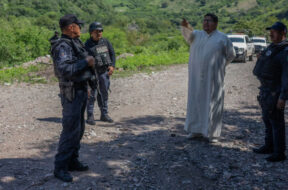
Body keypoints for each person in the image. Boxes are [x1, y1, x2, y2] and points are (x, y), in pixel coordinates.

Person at [50, 14, 95, 182]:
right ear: (71, 27)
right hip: (72, 92)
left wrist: (87, 85)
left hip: (81, 90)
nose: (80, 28)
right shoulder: (63, 45)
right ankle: (60, 167)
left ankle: (72, 160)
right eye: (78, 25)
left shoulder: (74, 43)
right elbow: (64, 69)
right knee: (70, 130)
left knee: (79, 129)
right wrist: (87, 62)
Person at [181, 13, 235, 142]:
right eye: (204, 20)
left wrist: (218, 66)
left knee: (213, 102)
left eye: (209, 21)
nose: (205, 23)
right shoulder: (196, 35)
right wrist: (186, 26)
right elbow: (187, 34)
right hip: (196, 77)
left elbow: (231, 55)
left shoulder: (222, 38)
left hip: (214, 78)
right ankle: (195, 131)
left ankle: (212, 134)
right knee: (195, 101)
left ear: (215, 23)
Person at [253, 22, 288, 162]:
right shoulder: (272, 48)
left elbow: (286, 76)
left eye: (274, 31)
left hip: (275, 91)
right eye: (271, 31)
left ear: (283, 33)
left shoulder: (285, 51)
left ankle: (279, 153)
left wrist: (283, 97)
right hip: (265, 90)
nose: (271, 33)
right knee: (267, 120)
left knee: (276, 123)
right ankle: (269, 146)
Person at [85, 22, 116, 125]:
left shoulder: (105, 42)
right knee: (92, 95)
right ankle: (90, 116)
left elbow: (112, 54)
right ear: (91, 33)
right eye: (96, 31)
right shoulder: (87, 45)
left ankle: (104, 114)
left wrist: (112, 66)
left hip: (104, 72)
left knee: (104, 93)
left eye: (100, 31)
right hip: (92, 73)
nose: (99, 33)